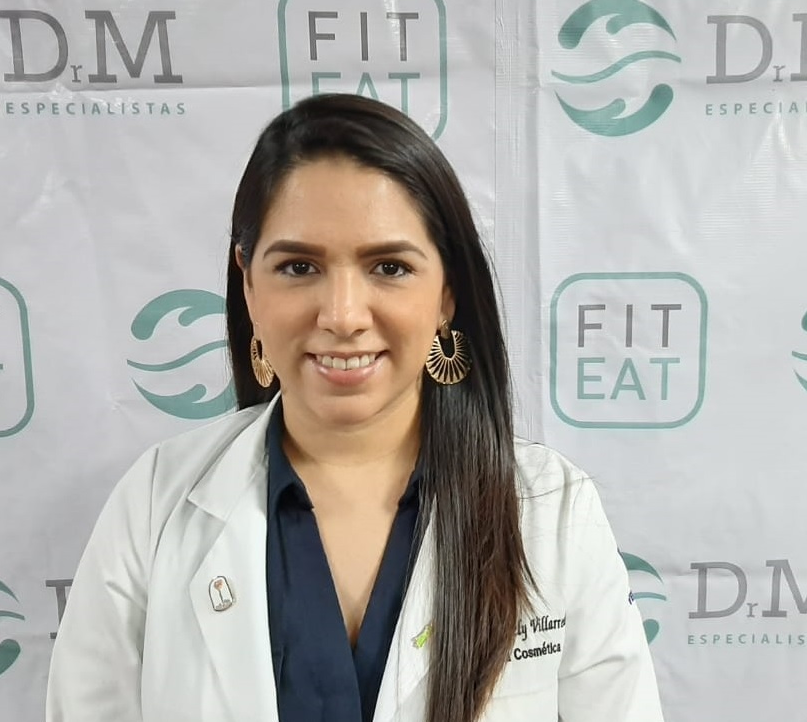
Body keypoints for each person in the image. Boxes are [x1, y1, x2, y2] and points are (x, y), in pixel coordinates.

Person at [46, 93, 665, 722]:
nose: (342, 316)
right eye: (298, 267)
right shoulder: (156, 505)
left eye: (389, 267)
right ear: (248, 283)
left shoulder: (551, 511)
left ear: (447, 293)